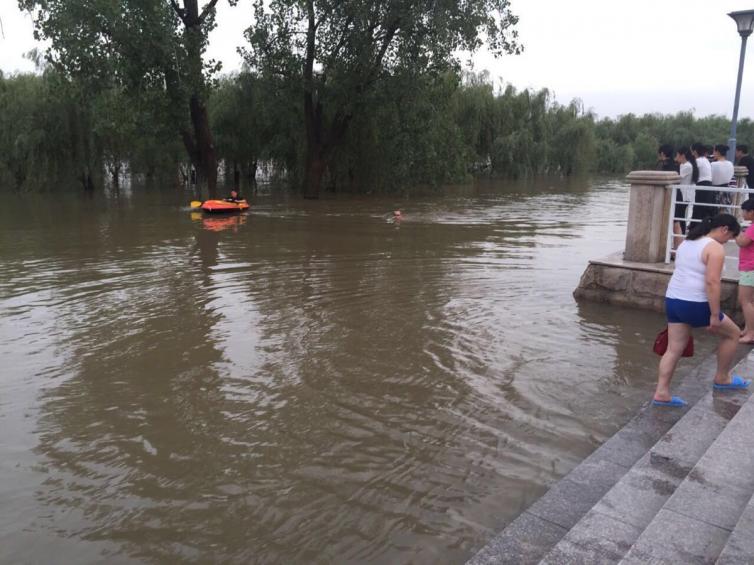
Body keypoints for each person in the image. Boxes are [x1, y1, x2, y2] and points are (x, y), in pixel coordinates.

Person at [653, 213, 750, 407]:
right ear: (724, 229)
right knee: (733, 334)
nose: (728, 241)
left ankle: (661, 393)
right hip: (695, 302)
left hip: (673, 300)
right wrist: (714, 314)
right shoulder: (714, 248)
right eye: (729, 237)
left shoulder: (687, 243)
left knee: (674, 348)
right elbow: (712, 282)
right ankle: (722, 378)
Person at [672, 146, 698, 244]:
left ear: (682, 155)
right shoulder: (685, 165)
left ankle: (680, 240)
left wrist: (675, 162)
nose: (676, 157)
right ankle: (680, 239)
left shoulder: (687, 166)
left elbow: (677, 177)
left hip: (684, 195)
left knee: (680, 218)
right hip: (683, 194)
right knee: (681, 217)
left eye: (677, 155)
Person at [737, 199, 754, 344]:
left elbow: (743, 242)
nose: (743, 213)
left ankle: (751, 334)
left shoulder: (752, 228)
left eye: (745, 211)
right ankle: (748, 329)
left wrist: (736, 234)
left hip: (750, 268)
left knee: (745, 301)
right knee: (750, 301)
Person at [691, 142, 714, 221]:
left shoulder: (698, 161)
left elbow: (693, 176)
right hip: (709, 185)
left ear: (695, 151)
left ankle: (695, 226)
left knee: (698, 208)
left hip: (702, 185)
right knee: (704, 208)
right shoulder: (705, 160)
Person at [711, 144, 735, 209]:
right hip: (726, 191)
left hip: (715, 192)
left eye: (714, 151)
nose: (713, 153)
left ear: (718, 152)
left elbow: (711, 178)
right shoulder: (730, 164)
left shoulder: (713, 164)